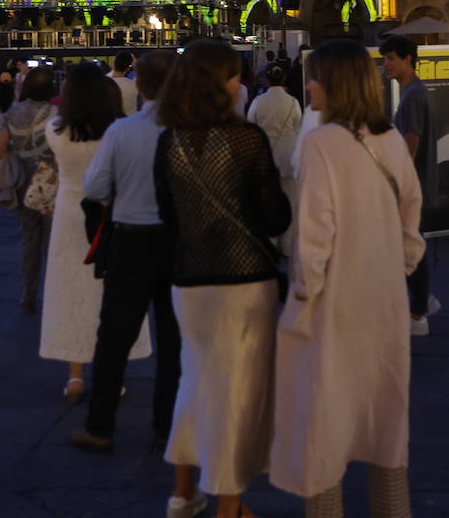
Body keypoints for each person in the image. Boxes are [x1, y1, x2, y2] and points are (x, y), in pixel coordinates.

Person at [270, 39, 424, 517]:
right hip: (383, 300)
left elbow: (314, 234)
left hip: (334, 304)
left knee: (324, 420)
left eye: (314, 75)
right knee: (384, 417)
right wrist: (392, 267)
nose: (308, 83)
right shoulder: (390, 139)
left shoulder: (321, 143)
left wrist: (302, 295)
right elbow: (411, 220)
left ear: (334, 83)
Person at [154, 39, 291, 518]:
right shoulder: (245, 140)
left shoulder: (168, 140)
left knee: (195, 381)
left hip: (188, 283)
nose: (240, 84)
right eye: (234, 75)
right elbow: (274, 217)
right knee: (238, 390)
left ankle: (183, 492)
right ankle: (229, 504)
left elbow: (167, 217)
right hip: (244, 281)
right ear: (221, 83)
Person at [72, 51, 182, 467]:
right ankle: (167, 429)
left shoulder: (122, 131)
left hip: (130, 241)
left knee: (115, 336)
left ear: (139, 85)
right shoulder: (190, 129)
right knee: (174, 341)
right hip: (177, 243)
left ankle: (100, 426)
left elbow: (95, 186)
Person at [41, 63, 149, 405]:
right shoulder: (121, 129)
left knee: (69, 291)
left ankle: (74, 376)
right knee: (113, 293)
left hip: (69, 213)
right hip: (111, 213)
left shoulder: (54, 130)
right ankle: (111, 373)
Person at [380, 35, 440, 336]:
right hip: (417, 182)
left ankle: (418, 313)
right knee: (413, 244)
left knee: (412, 246)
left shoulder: (413, 94)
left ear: (408, 59)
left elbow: (410, 142)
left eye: (391, 58)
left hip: (413, 184)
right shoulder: (412, 92)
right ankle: (423, 299)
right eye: (384, 59)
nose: (386, 65)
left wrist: (399, 184)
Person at [0, 67, 56, 313]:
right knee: (52, 241)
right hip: (50, 181)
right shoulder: (57, 113)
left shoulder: (12, 113)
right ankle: (53, 292)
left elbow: (0, 147)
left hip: (22, 182)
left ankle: (27, 293)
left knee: (29, 238)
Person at [246, 63, 303, 253]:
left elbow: (250, 126)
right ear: (284, 78)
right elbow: (298, 126)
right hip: (288, 154)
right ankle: (288, 246)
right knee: (289, 199)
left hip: (265, 152)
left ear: (266, 79)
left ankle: (270, 243)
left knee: (266, 200)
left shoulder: (259, 102)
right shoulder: (293, 102)